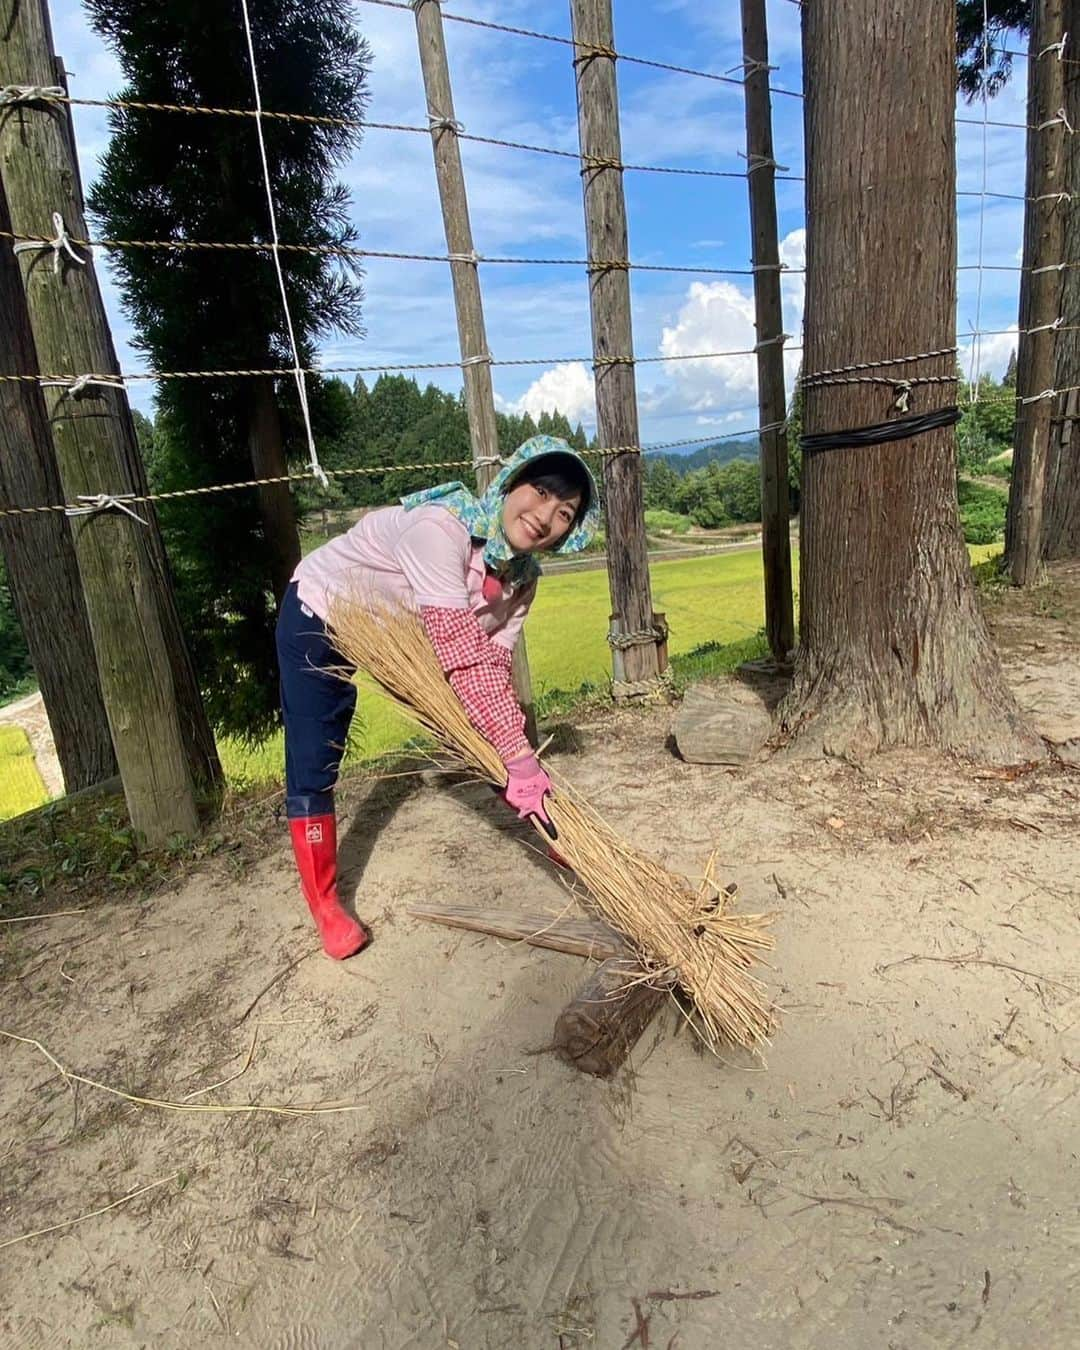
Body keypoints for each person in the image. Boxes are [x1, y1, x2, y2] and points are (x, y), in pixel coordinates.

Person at [275, 435, 600, 959]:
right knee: (317, 751)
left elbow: (491, 666)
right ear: (511, 481)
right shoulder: (439, 528)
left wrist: (515, 757)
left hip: (406, 631)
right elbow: (461, 654)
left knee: (486, 730)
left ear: (571, 532)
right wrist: (518, 760)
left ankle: (558, 835)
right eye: (539, 490)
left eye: (564, 512)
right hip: (325, 611)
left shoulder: (522, 580)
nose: (544, 515)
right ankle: (325, 903)